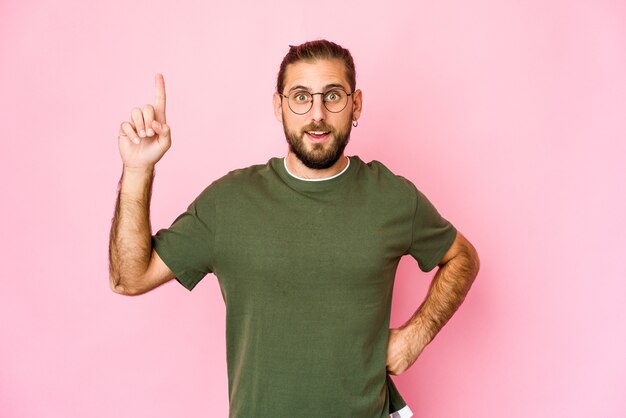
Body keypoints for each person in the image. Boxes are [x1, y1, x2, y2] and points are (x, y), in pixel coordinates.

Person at [109, 40, 479, 418]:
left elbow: (461, 256)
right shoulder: (230, 202)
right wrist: (138, 170)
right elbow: (130, 277)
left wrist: (416, 336)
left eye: (333, 95)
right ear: (279, 106)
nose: (316, 114)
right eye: (301, 97)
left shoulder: (391, 198)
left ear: (356, 105)